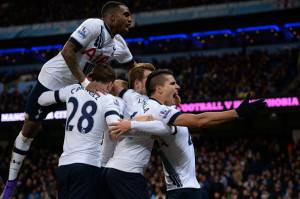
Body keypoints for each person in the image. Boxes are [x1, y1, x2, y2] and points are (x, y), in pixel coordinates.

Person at [1, 1, 133, 198]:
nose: (131, 19)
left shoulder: (119, 45)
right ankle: (11, 183)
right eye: (126, 14)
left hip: (78, 89)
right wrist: (85, 83)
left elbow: (134, 67)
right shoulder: (94, 25)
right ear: (112, 18)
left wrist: (147, 84)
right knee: (29, 131)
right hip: (52, 81)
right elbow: (67, 51)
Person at [108, 69, 267, 198]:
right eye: (173, 83)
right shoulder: (160, 110)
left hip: (188, 188)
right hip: (183, 191)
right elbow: (200, 120)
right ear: (159, 89)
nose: (178, 86)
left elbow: (118, 84)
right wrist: (237, 113)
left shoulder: (145, 102)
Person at [38, 64, 122, 199]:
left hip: (64, 165)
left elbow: (42, 99)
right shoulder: (108, 99)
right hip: (88, 164)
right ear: (109, 84)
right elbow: (116, 128)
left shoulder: (73, 89)